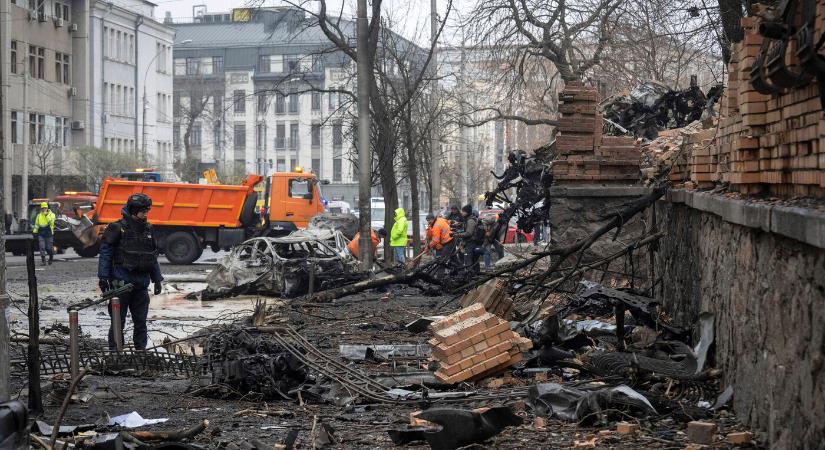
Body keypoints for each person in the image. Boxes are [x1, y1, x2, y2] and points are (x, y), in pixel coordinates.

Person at [98, 193, 163, 350]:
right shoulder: (116, 228)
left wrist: (157, 279)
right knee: (117, 322)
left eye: (147, 211)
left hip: (140, 285)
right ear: (134, 210)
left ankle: (140, 352)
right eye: (143, 211)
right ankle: (115, 353)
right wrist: (103, 277)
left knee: (140, 322)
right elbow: (105, 254)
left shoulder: (148, 229)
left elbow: (152, 256)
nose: (146, 214)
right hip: (120, 284)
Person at [453, 204, 483, 271]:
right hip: (470, 242)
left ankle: (470, 275)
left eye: (463, 211)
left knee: (468, 260)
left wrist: (457, 235)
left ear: (467, 212)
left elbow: (469, 233)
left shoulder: (470, 220)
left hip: (471, 243)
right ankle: (475, 274)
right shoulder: (468, 219)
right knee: (473, 260)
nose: (461, 212)